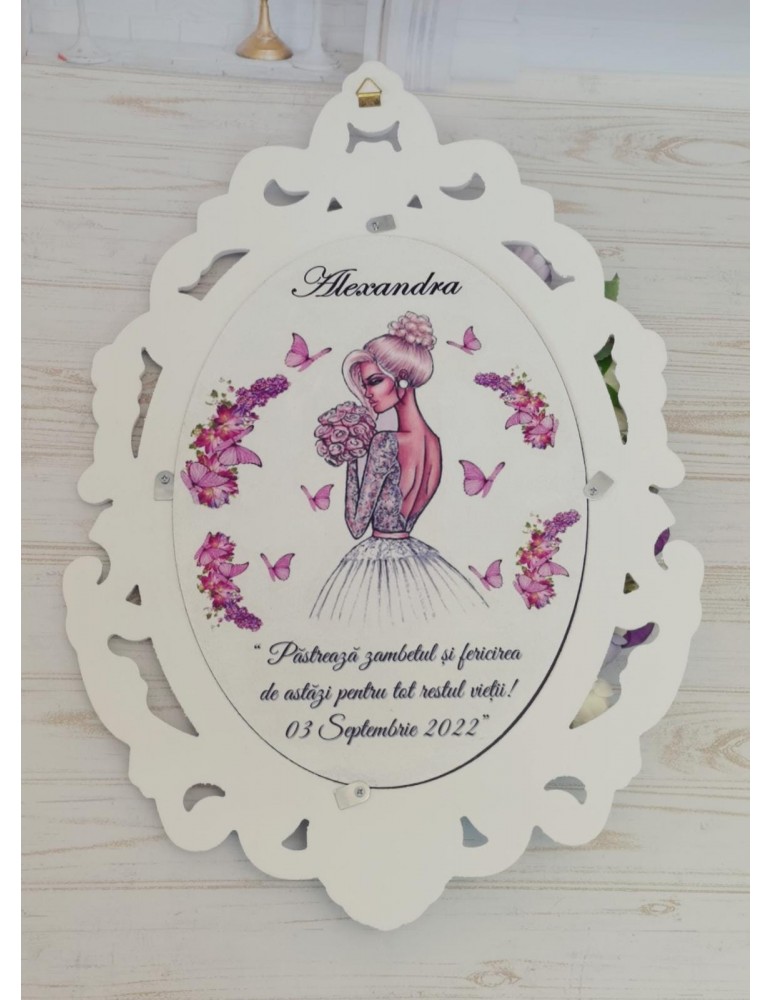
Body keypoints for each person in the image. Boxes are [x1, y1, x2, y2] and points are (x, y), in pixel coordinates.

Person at [310, 313, 486, 625]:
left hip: (376, 564)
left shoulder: (385, 442)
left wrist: (351, 455)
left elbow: (356, 526)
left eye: (374, 381)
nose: (367, 393)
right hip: (419, 563)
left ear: (402, 378)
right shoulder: (433, 443)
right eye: (364, 385)